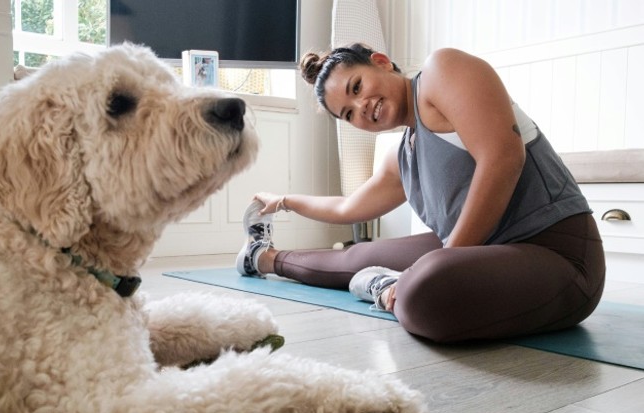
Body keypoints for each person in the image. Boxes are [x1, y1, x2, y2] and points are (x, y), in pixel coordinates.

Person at [235, 43, 605, 343]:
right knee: (358, 255)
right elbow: (349, 206)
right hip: (481, 252)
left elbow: (503, 157)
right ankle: (262, 257)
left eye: (357, 87)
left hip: (559, 257)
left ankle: (390, 289)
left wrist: (440, 262)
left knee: (422, 292)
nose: (362, 108)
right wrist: (283, 201)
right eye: (349, 114)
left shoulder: (443, 71)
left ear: (380, 62)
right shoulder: (403, 156)